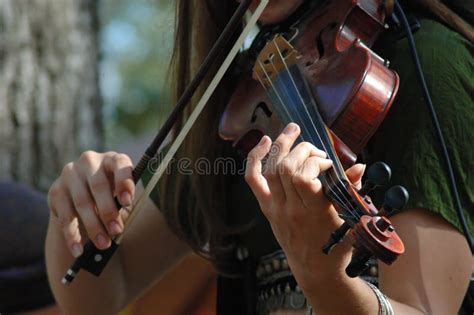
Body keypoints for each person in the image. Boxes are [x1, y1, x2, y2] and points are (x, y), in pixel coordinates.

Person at [45, 0, 473, 314]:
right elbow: (99, 295)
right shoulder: (244, 109)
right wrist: (78, 213)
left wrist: (325, 279)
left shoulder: (429, 68)